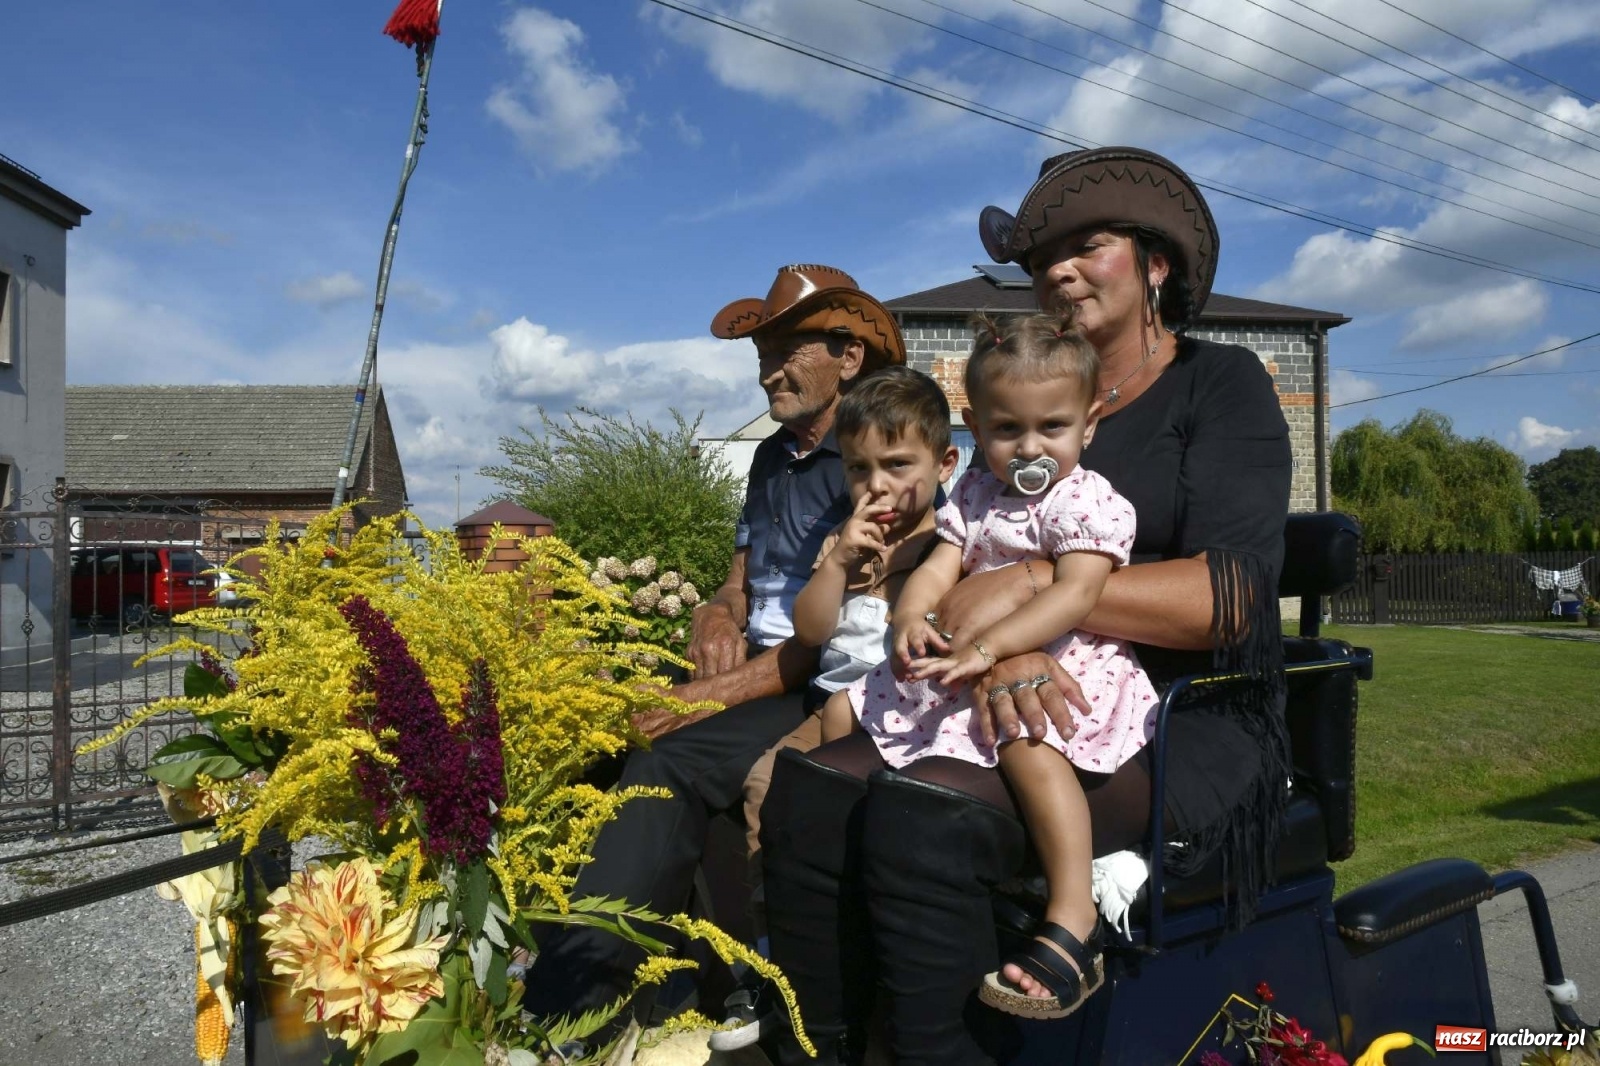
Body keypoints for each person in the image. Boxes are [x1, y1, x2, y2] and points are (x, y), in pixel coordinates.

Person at [759, 146, 1293, 1066]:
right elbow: (951, 556)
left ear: (1156, 263)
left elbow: (1231, 600)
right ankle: (823, 1043)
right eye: (1043, 256)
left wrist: (1043, 593)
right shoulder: (1018, 404)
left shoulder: (1222, 382)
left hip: (1173, 710)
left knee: (923, 810)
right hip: (995, 685)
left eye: (1089, 244)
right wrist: (985, 626)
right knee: (812, 792)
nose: (1059, 269)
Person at [523, 264, 905, 1034]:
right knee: (598, 710)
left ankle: (575, 1006)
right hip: (760, 662)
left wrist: (697, 699)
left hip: (817, 682)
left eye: (787, 350)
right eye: (762, 353)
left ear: (849, 356)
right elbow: (738, 581)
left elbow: (831, 638)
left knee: (670, 754)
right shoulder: (770, 458)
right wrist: (712, 615)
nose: (767, 371)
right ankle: (626, 971)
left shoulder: (877, 465)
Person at [817, 309, 1157, 1021]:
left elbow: (1077, 592)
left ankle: (1072, 915)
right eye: (1007, 431)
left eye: (1052, 428)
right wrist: (911, 616)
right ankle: (851, 900)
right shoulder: (973, 493)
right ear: (977, 426)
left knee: (1027, 743)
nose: (1029, 448)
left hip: (1060, 661)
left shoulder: (1082, 498)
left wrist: (988, 648)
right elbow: (941, 566)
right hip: (970, 664)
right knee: (849, 709)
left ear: (1090, 423)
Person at [711, 366, 956, 1052]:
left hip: (907, 713)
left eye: (898, 465)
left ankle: (838, 956)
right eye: (858, 468)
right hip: (834, 704)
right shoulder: (845, 541)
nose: (876, 485)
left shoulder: (948, 542)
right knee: (764, 783)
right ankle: (771, 956)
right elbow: (813, 631)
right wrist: (835, 565)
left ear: (944, 463)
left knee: (827, 804)